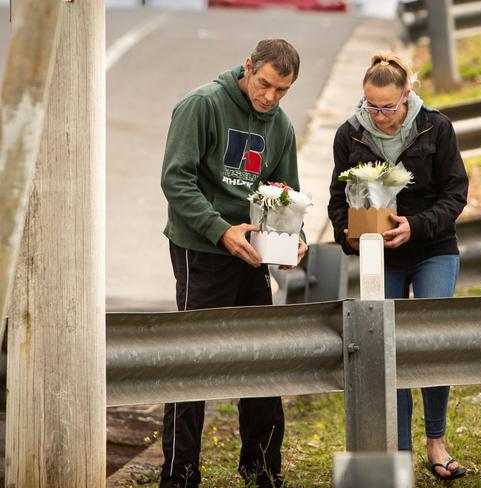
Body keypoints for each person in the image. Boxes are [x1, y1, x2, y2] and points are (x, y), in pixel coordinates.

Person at [160, 39, 307, 488]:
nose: (270, 97)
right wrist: (219, 229)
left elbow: (285, 193)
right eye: (264, 85)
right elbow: (176, 180)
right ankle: (179, 474)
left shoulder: (280, 126)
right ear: (248, 67)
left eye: (282, 90)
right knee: (194, 360)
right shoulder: (201, 105)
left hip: (251, 252)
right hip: (201, 250)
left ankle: (262, 469)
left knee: (260, 359)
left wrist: (292, 239)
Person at [327, 51, 468, 481]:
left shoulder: (436, 127)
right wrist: (349, 237)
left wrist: (417, 226)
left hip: (432, 248)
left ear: (407, 95)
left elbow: (455, 193)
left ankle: (436, 441)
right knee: (387, 348)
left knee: (430, 340)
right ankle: (400, 451)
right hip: (379, 256)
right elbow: (337, 201)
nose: (381, 116)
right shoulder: (349, 135)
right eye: (372, 106)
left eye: (389, 107)